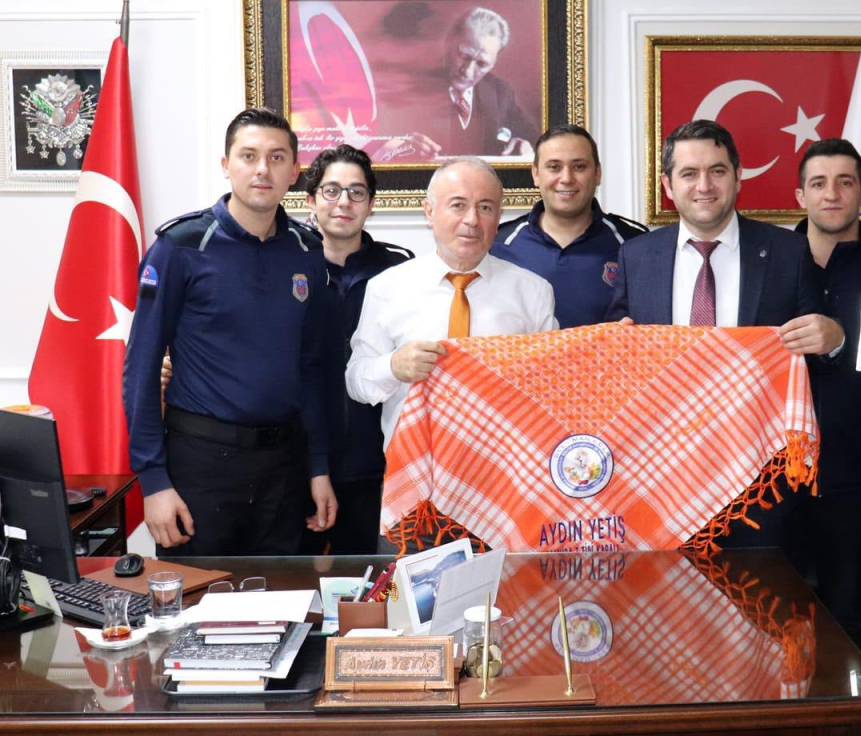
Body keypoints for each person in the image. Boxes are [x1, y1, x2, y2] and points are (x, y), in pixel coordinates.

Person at [605, 119, 845, 550]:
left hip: (758, 483)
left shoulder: (788, 252)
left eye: (717, 171)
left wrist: (834, 339)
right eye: (689, 173)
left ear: (737, 176)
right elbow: (616, 355)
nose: (704, 186)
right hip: (660, 479)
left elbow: (818, 354)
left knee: (759, 590)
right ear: (668, 185)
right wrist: (615, 347)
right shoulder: (636, 256)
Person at [124, 107, 336, 556]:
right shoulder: (180, 247)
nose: (263, 169)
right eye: (249, 155)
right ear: (226, 165)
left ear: (294, 171)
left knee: (285, 597)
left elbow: (313, 369)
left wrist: (318, 467)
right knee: (197, 598)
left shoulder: (306, 252)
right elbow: (141, 367)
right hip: (201, 466)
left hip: (284, 468)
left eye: (277, 158)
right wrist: (153, 481)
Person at [345, 157, 555, 550]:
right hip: (414, 492)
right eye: (458, 205)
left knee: (506, 591)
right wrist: (393, 366)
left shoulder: (533, 292)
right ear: (430, 212)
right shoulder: (388, 288)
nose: (472, 220)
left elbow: (554, 394)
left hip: (506, 495)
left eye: (485, 207)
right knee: (405, 589)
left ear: (499, 216)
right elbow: (356, 381)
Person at [781, 137, 861, 665]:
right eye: (819, 184)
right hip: (775, 476)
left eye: (845, 183)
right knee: (773, 609)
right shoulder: (771, 263)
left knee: (853, 612)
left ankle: (855, 708)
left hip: (855, 472)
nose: (832, 195)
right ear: (800, 196)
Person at [301, 145, 414, 554]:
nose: (344, 202)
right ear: (310, 200)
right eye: (331, 190)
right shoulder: (289, 264)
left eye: (356, 192)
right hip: (297, 463)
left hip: (376, 464)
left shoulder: (401, 269)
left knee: (376, 581)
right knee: (293, 581)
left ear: (371, 203)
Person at [492, 124, 647, 328]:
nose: (566, 178)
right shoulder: (498, 244)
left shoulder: (636, 243)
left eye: (579, 167)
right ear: (536, 174)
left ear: (597, 173)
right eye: (554, 167)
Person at [405, 7, 536, 159]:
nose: (467, 71)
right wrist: (401, 146)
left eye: (482, 64)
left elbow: (539, 142)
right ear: (448, 42)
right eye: (464, 56)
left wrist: (526, 145)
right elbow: (383, 138)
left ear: (494, 62)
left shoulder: (500, 91)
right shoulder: (408, 84)